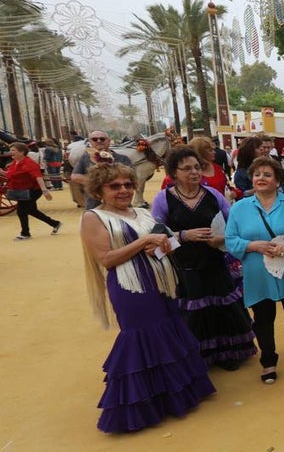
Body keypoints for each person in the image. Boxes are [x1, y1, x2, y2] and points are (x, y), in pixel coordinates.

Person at [79, 162, 217, 432]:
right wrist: (144, 242)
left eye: (128, 185)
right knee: (142, 339)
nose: (123, 190)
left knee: (169, 335)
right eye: (115, 186)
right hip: (132, 288)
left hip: (162, 284)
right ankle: (140, 408)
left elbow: (166, 244)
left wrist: (168, 244)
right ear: (99, 189)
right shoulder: (93, 218)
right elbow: (106, 259)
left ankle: (174, 398)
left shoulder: (141, 212)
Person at [151, 147, 256, 371]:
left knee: (223, 306)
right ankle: (198, 358)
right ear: (173, 172)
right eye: (187, 168)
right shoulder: (163, 200)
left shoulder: (213, 196)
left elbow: (234, 225)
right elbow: (154, 235)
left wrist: (220, 239)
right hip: (185, 265)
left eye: (197, 167)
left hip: (216, 261)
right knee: (194, 312)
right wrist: (183, 235)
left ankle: (228, 353)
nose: (194, 172)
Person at [225, 156, 284, 383]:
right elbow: (230, 240)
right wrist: (252, 245)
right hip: (257, 272)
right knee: (262, 318)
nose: (261, 178)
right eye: (257, 174)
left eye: (267, 174)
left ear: (277, 180)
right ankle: (268, 361)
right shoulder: (240, 208)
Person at [4, 141, 62, 240]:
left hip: (33, 190)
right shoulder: (14, 163)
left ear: (22, 152)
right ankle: (55, 223)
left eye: (14, 150)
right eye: (11, 151)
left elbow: (38, 177)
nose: (11, 152)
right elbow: (10, 175)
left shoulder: (29, 163)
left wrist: (45, 191)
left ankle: (25, 233)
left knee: (21, 211)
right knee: (32, 211)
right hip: (22, 191)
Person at [70, 130, 133, 209]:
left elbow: (131, 177)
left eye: (102, 139)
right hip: (94, 204)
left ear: (109, 141)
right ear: (90, 142)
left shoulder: (123, 158)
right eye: (95, 139)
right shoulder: (85, 158)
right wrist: (97, 183)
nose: (99, 141)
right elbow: (74, 176)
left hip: (120, 203)